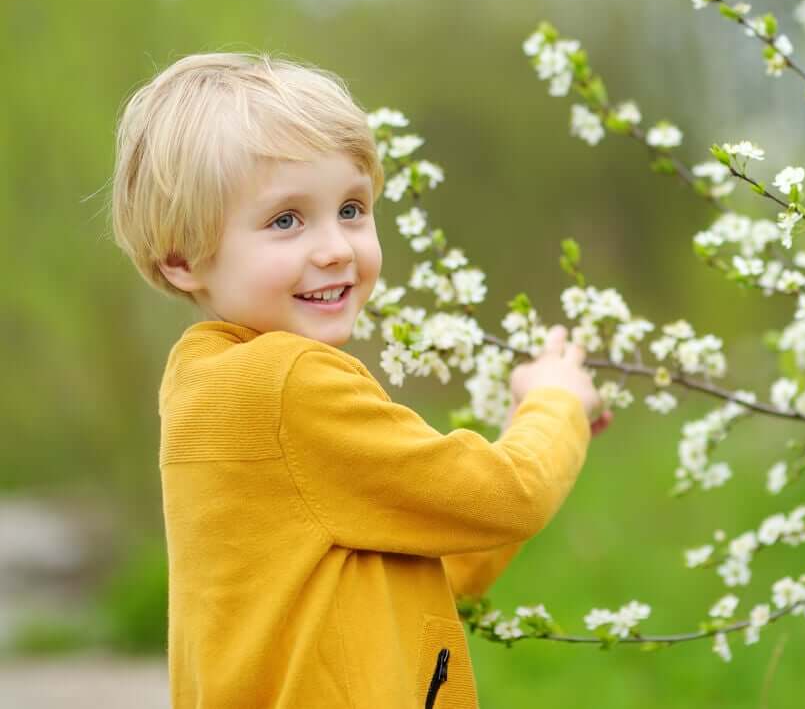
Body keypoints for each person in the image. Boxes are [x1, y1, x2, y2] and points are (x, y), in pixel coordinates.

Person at [109, 52, 611, 708]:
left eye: (351, 209)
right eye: (285, 220)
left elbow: (432, 552)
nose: (335, 249)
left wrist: (531, 429)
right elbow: (504, 496)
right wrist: (555, 404)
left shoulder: (203, 382)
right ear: (182, 258)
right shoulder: (289, 383)